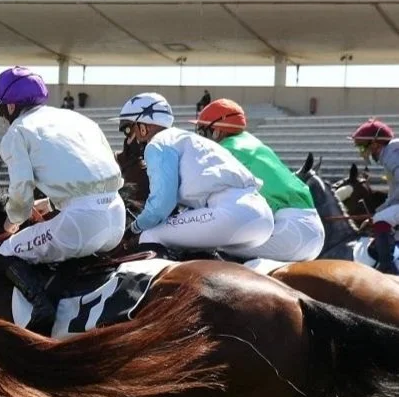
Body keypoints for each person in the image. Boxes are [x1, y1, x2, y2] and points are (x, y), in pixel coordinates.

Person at [0, 66, 126, 326]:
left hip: (82, 223)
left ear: (10, 107)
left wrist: (11, 221)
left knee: (6, 252)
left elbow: (21, 190)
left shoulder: (17, 132)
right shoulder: (78, 119)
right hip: (117, 215)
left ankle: (42, 311)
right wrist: (52, 202)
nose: (1, 116)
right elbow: (94, 173)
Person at [119, 92, 274, 257]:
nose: (129, 139)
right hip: (263, 217)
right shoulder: (188, 138)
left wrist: (134, 228)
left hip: (231, 214)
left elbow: (162, 205)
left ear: (143, 126)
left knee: (149, 235)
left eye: (128, 129)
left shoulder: (157, 143)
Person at [191, 99, 324, 261]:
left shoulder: (224, 150)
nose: (200, 138)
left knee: (199, 244)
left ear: (217, 132)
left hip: (290, 231)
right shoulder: (252, 143)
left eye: (201, 132)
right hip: (313, 230)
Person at [349, 118, 399, 274]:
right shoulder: (390, 154)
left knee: (381, 220)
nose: (362, 152)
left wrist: (379, 215)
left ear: (375, 144)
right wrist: (379, 210)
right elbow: (394, 194)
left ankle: (387, 269)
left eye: (362, 147)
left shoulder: (392, 154)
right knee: (383, 220)